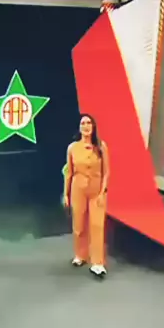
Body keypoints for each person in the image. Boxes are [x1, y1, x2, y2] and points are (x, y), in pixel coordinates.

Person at [64, 114, 110, 278]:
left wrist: (103, 192)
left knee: (97, 226)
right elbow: (69, 173)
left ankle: (98, 263)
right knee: (79, 224)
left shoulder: (101, 147)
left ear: (93, 126)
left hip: (96, 190)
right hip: (78, 189)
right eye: (83, 123)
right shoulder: (72, 148)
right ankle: (80, 254)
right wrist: (66, 194)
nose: (86, 126)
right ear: (79, 127)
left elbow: (106, 172)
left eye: (89, 123)